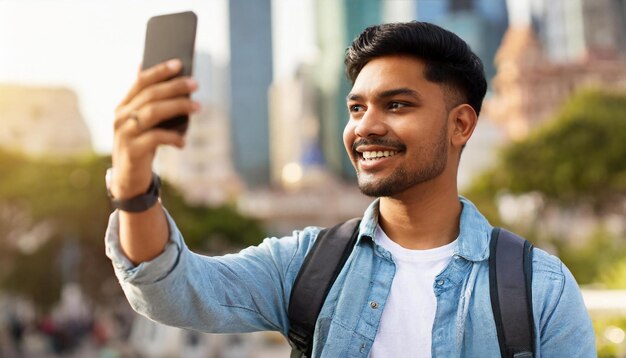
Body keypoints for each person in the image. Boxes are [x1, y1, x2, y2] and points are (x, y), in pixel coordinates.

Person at [105, 22, 595, 357]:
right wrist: (132, 187)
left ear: (461, 125)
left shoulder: (539, 289)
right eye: (356, 108)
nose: (366, 127)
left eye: (397, 105)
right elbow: (173, 291)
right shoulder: (308, 266)